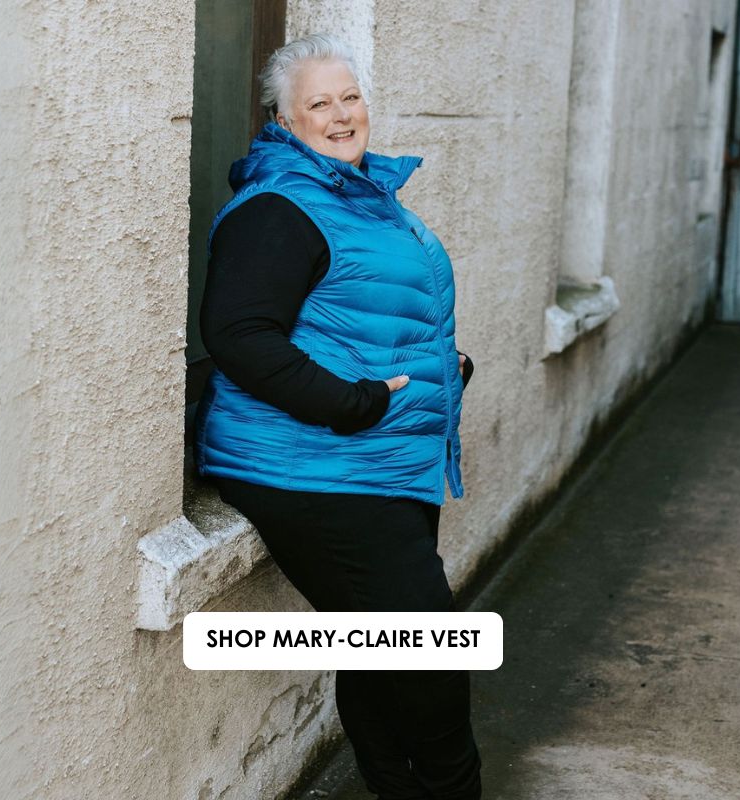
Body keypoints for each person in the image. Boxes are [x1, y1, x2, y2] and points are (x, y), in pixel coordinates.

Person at [193, 33, 481, 800]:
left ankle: (394, 787)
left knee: (378, 647)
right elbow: (238, 334)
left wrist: (439, 374)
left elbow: (368, 318)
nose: (341, 114)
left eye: (349, 96)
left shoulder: (365, 197)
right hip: (315, 464)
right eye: (318, 103)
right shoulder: (279, 208)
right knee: (428, 653)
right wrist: (350, 406)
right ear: (284, 123)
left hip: (386, 463)